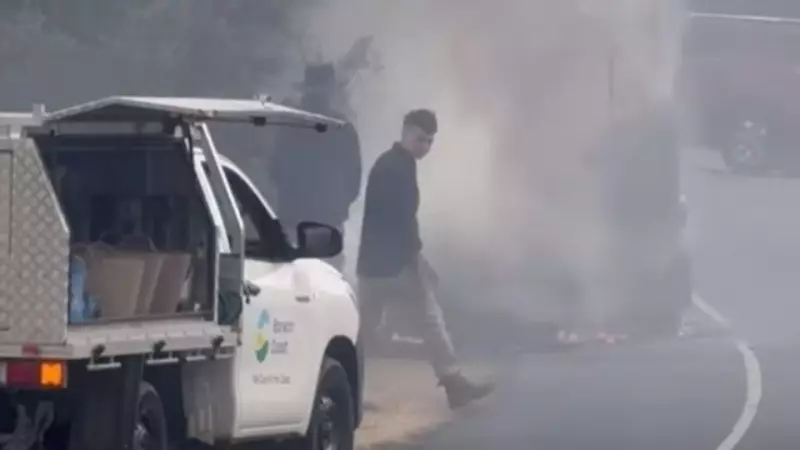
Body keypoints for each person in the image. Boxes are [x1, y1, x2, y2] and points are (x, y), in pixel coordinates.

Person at [357, 109, 494, 409]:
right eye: (421, 139)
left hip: (373, 264)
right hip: (393, 265)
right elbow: (401, 220)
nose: (425, 147)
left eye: (430, 142)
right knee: (429, 320)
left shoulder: (394, 164)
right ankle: (453, 382)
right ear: (406, 132)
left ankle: (350, 391)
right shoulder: (395, 167)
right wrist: (417, 260)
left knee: (362, 331)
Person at [269, 63, 362, 271]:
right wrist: (338, 205)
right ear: (331, 90)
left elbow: (274, 170)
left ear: (305, 89)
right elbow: (354, 180)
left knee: (291, 276)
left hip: (292, 217)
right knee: (328, 278)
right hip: (329, 220)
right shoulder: (343, 127)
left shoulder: (289, 124)